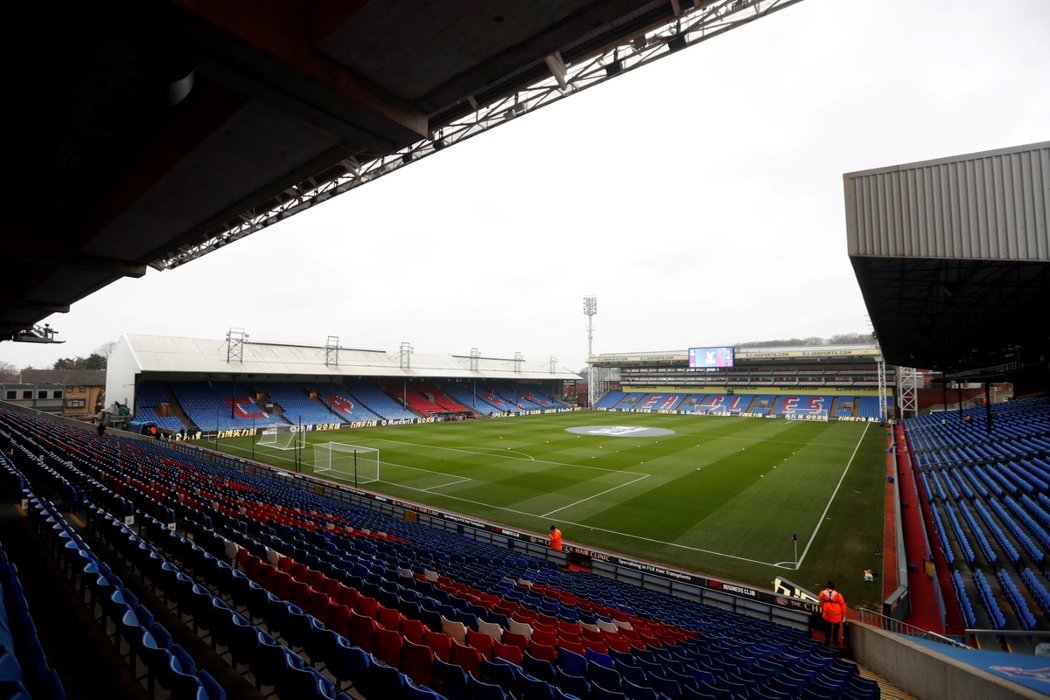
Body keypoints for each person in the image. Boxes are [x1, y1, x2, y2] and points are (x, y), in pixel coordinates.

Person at [819, 581, 847, 647]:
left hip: (827, 614)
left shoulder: (822, 593)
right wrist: (843, 615)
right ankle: (835, 641)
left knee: (828, 627)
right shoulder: (838, 595)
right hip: (836, 615)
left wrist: (824, 608)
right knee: (836, 627)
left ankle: (827, 641)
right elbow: (843, 605)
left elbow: (820, 602)